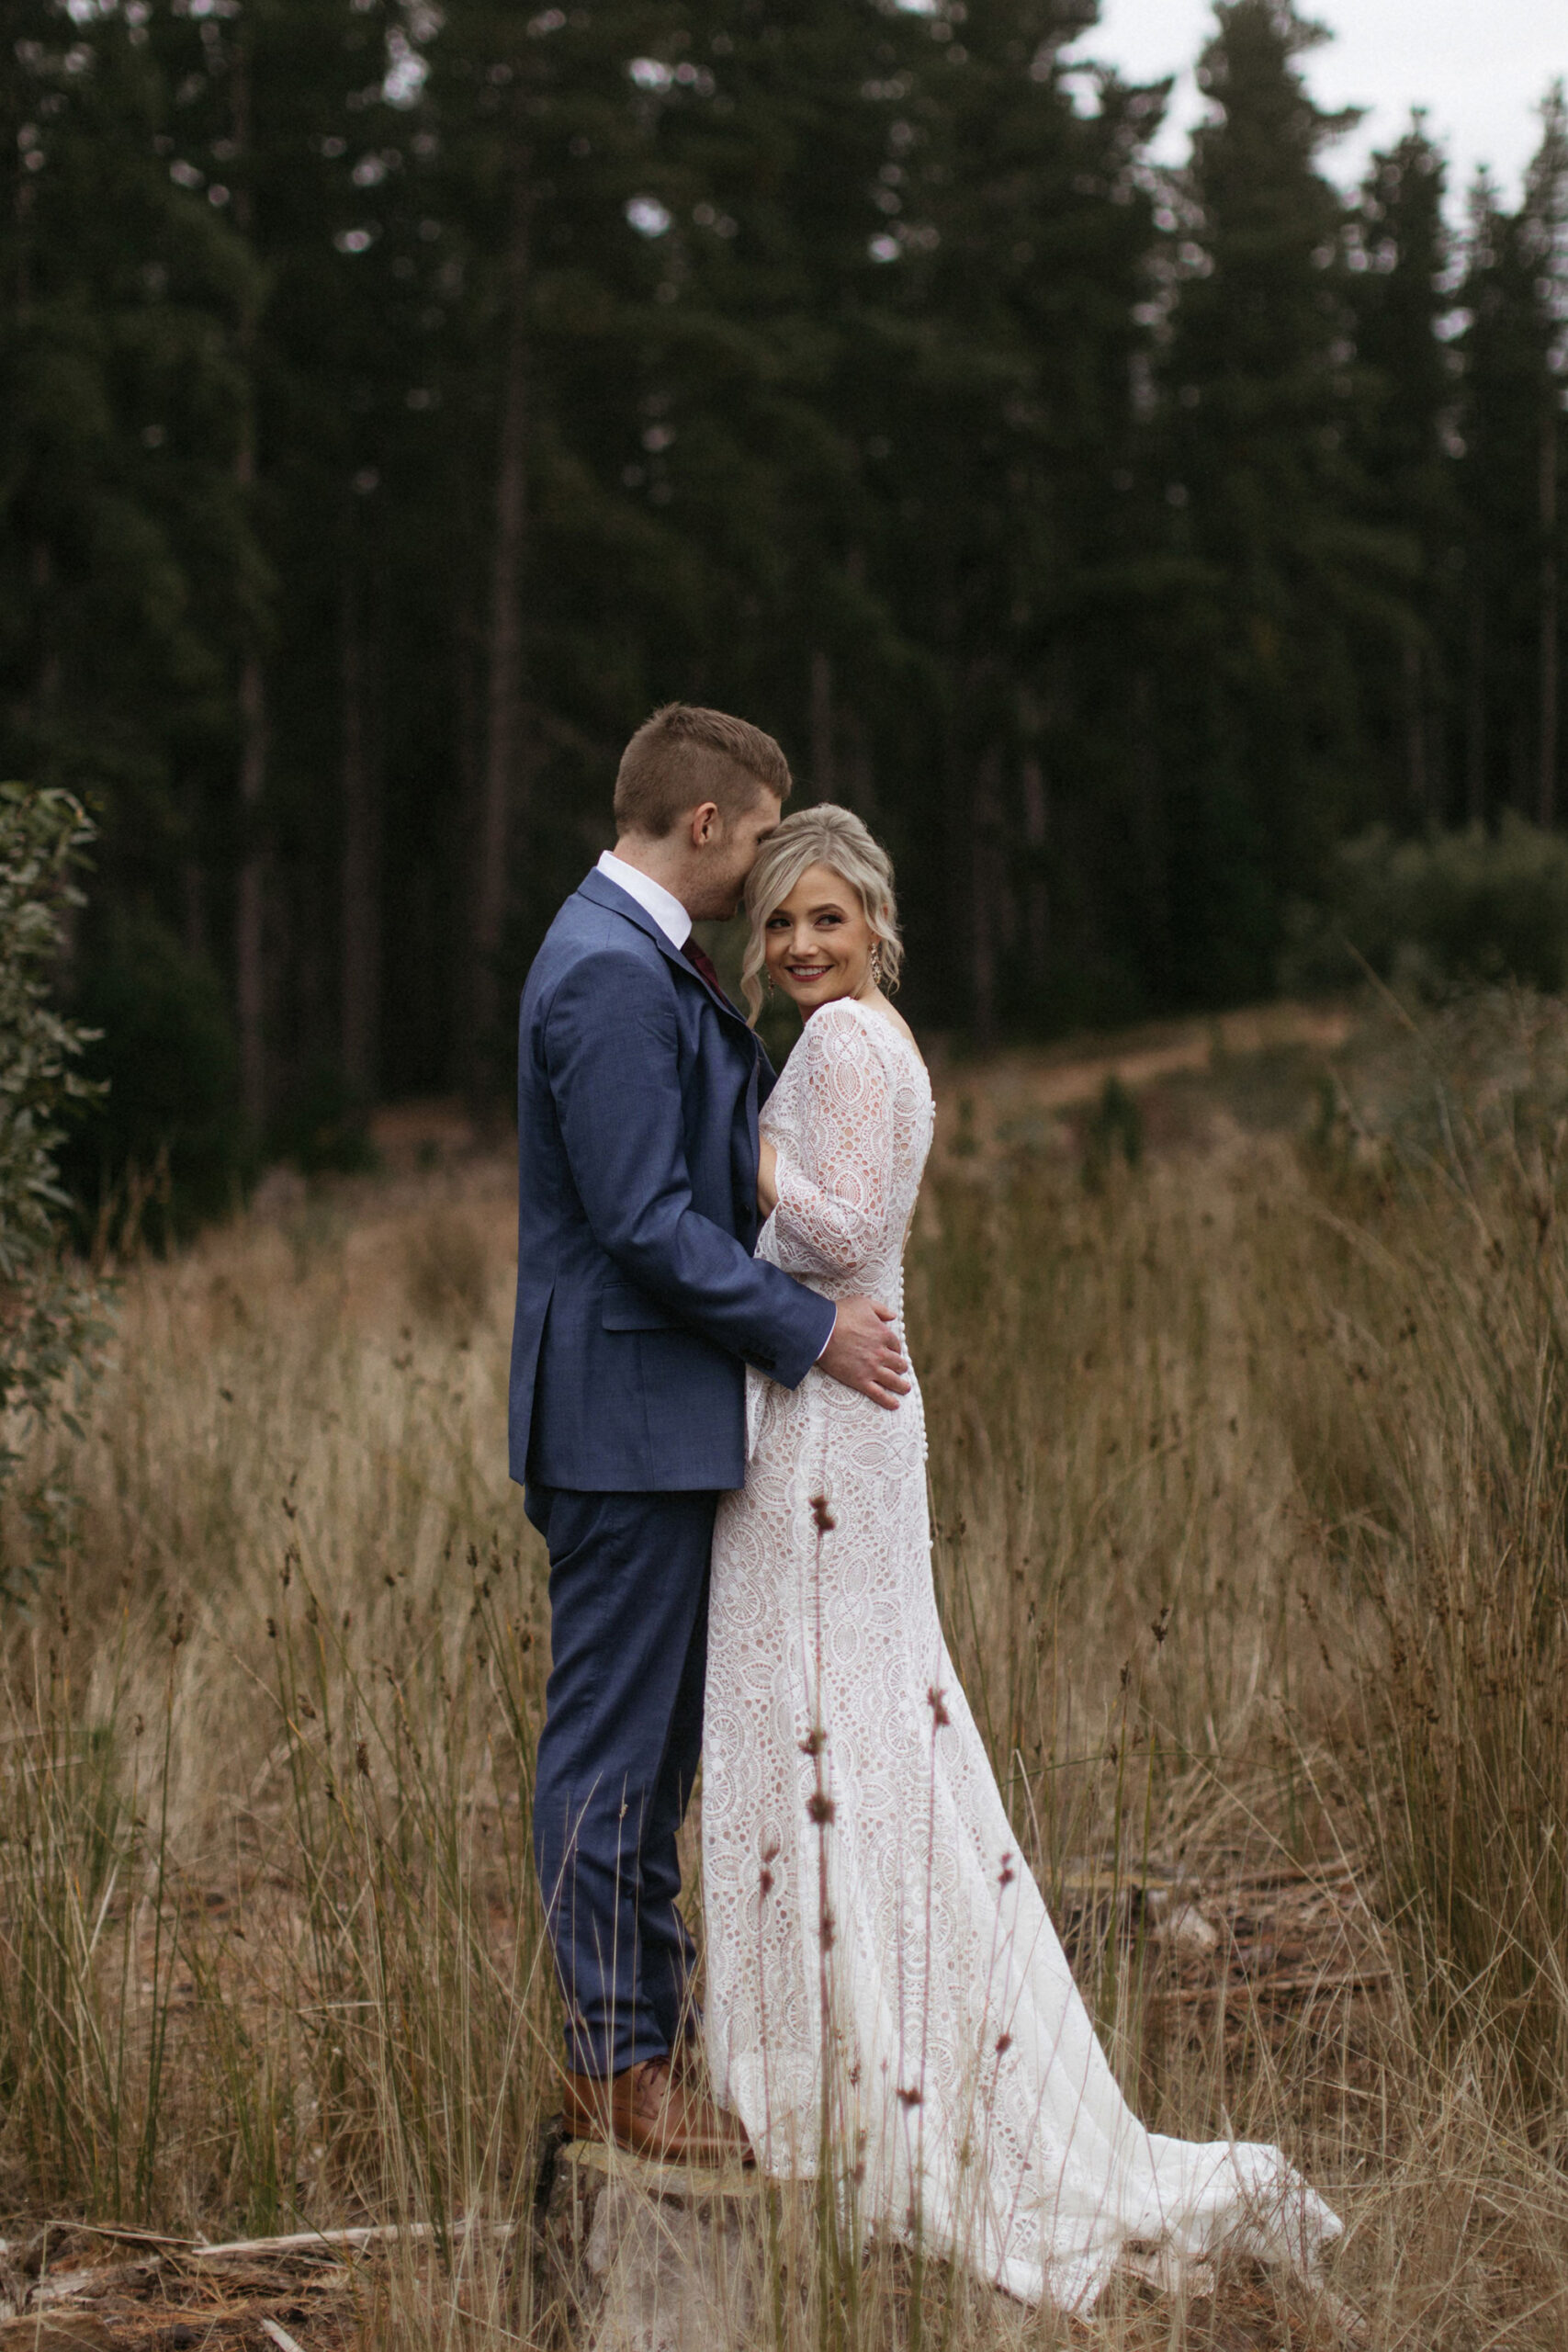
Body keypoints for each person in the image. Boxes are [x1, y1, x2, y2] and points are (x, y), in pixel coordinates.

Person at [700, 804, 1343, 2310]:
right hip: (842, 1415)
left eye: (826, 919)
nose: (798, 944)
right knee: (854, 1738)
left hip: (819, 1429)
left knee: (816, 1734)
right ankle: (871, 2067)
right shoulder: (877, 1041)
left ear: (874, 923)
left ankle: (848, 2094)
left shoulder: (848, 1047)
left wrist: (730, 1156)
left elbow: (844, 1220)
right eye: (779, 922)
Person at [509, 708, 909, 2166]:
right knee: (614, 1754)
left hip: (650, 1416)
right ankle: (618, 2064)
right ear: (702, 826)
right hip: (621, 1420)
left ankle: (648, 2042)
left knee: (651, 1750)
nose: (760, 874)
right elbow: (640, 1225)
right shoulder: (609, 975)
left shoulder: (627, 957)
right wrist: (807, 1330)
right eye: (755, 838)